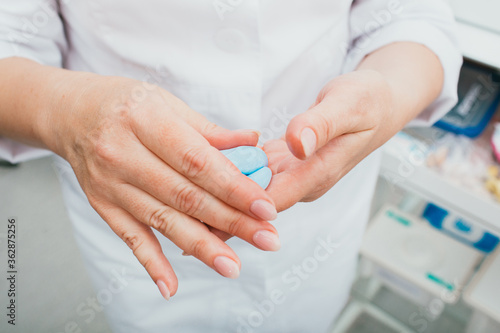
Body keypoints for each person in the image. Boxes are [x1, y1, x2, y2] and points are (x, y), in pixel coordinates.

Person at [0, 0, 461, 332]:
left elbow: (412, 14)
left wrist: (387, 91)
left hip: (313, 223)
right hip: (138, 221)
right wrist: (66, 113)